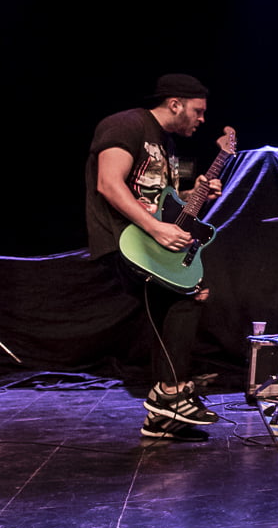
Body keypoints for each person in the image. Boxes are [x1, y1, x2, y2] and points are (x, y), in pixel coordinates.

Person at [85, 73, 223, 442]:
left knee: (179, 301)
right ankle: (170, 393)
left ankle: (162, 419)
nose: (202, 119)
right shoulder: (125, 125)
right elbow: (108, 183)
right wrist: (156, 228)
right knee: (188, 293)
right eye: (198, 111)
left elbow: (159, 199)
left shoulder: (166, 144)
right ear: (175, 104)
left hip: (147, 238)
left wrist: (193, 194)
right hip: (125, 239)